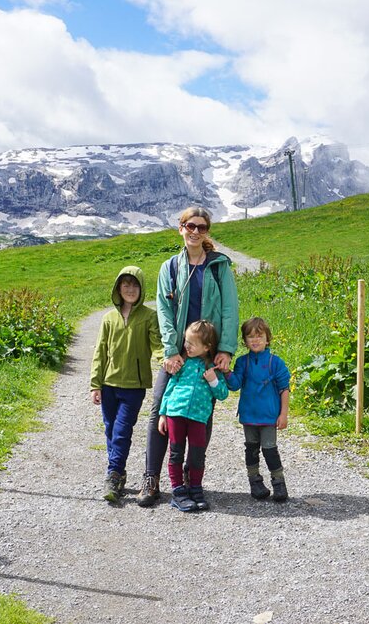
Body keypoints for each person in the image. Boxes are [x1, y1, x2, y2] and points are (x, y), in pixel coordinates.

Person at [136, 206, 239, 508]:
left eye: (202, 227)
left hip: (208, 354)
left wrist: (225, 350)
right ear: (180, 228)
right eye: (190, 226)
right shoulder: (169, 268)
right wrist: (170, 351)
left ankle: (190, 481)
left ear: (207, 231)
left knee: (201, 414)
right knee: (159, 409)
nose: (195, 231)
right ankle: (151, 478)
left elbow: (230, 311)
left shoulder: (219, 268)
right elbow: (165, 313)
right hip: (178, 354)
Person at [90, 266, 162, 502]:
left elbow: (157, 344)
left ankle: (112, 475)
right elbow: (100, 351)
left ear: (141, 289)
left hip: (134, 386)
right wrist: (95, 384)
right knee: (110, 429)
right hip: (109, 384)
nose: (130, 290)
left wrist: (167, 360)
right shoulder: (108, 318)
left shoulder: (149, 316)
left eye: (135, 285)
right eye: (125, 285)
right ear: (118, 288)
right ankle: (118, 473)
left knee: (121, 431)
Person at [158, 320, 229, 512]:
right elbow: (170, 388)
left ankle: (196, 488)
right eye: (186, 341)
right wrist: (163, 413)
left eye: (192, 343)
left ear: (206, 347)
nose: (187, 346)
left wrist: (213, 381)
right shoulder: (183, 363)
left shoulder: (213, 369)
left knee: (197, 454)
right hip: (176, 413)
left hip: (198, 417)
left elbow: (223, 394)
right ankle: (178, 491)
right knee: (176, 452)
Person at [227, 316, 291, 502]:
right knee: (251, 449)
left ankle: (279, 483)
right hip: (249, 416)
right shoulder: (242, 362)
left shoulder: (275, 362)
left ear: (267, 339)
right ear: (245, 341)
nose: (255, 340)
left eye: (259, 336)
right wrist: (226, 373)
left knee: (270, 449)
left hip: (269, 417)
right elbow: (235, 384)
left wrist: (283, 414)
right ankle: (255, 482)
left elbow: (284, 389)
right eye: (250, 336)